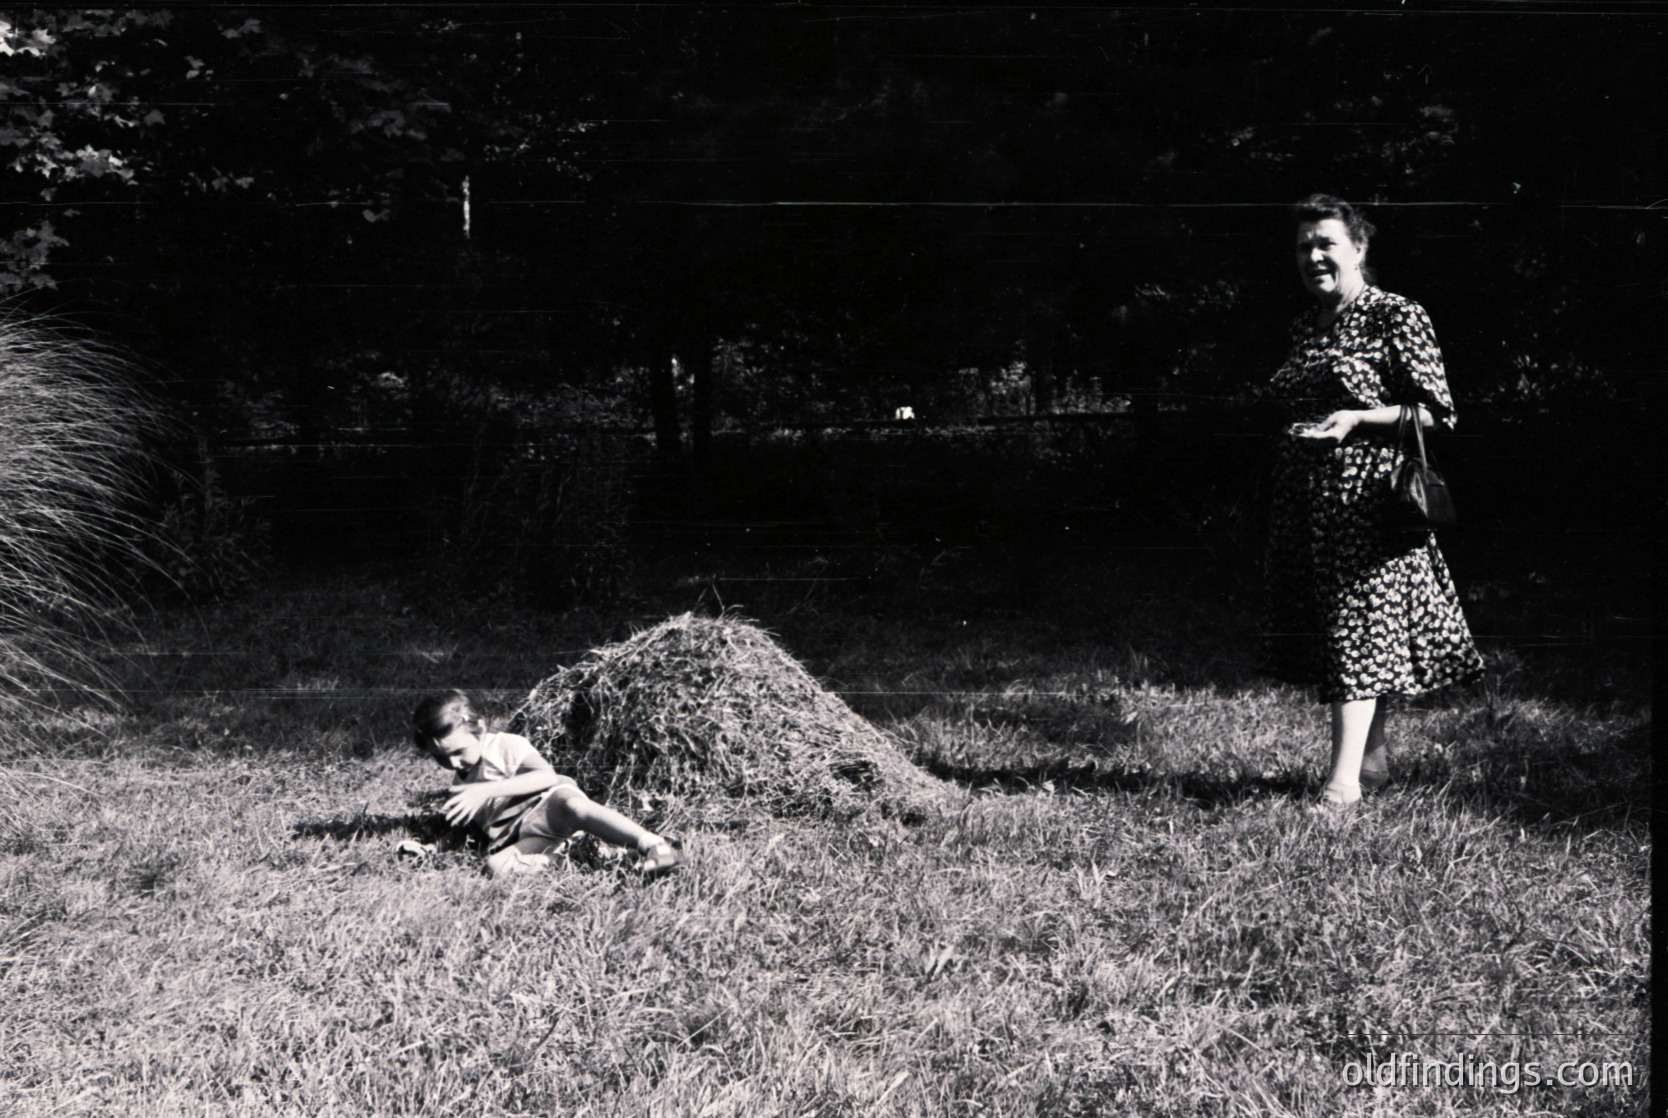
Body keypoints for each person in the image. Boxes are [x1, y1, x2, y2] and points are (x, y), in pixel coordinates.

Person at [1263, 194, 1484, 812]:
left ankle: (1342, 787)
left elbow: (1437, 411)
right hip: (1310, 503)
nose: (1313, 255)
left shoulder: (1395, 314)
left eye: (1326, 242)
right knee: (1349, 632)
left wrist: (1356, 418)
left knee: (1356, 633)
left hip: (1371, 504)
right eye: (1304, 245)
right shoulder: (1307, 325)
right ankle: (1373, 762)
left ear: (1358, 248)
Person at [407, 690, 684, 877]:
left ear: (479, 728)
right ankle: (580, 855)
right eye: (441, 758)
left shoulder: (504, 745)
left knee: (575, 805)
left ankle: (656, 846)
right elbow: (466, 830)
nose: (453, 763)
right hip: (530, 835)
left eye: (458, 751)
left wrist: (487, 789)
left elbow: (546, 776)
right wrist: (434, 848)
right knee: (495, 867)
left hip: (550, 807)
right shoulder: (462, 782)